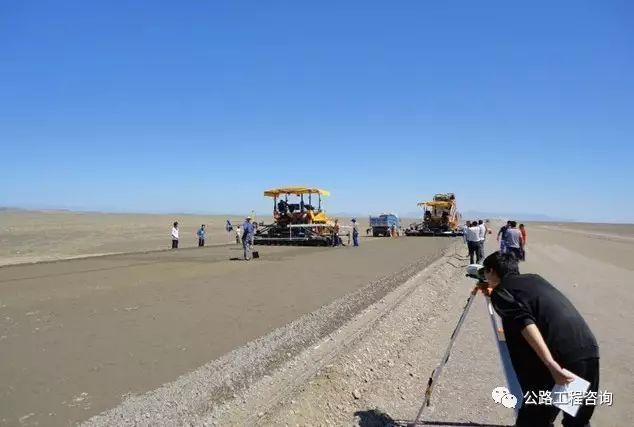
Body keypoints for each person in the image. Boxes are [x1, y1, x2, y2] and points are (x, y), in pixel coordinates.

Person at [481, 252, 599, 427]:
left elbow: (525, 323)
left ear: (492, 271)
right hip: (586, 350)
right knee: (577, 420)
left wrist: (552, 365)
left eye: (484, 272)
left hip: (560, 361)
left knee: (534, 419)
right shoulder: (535, 280)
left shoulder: (502, 293)